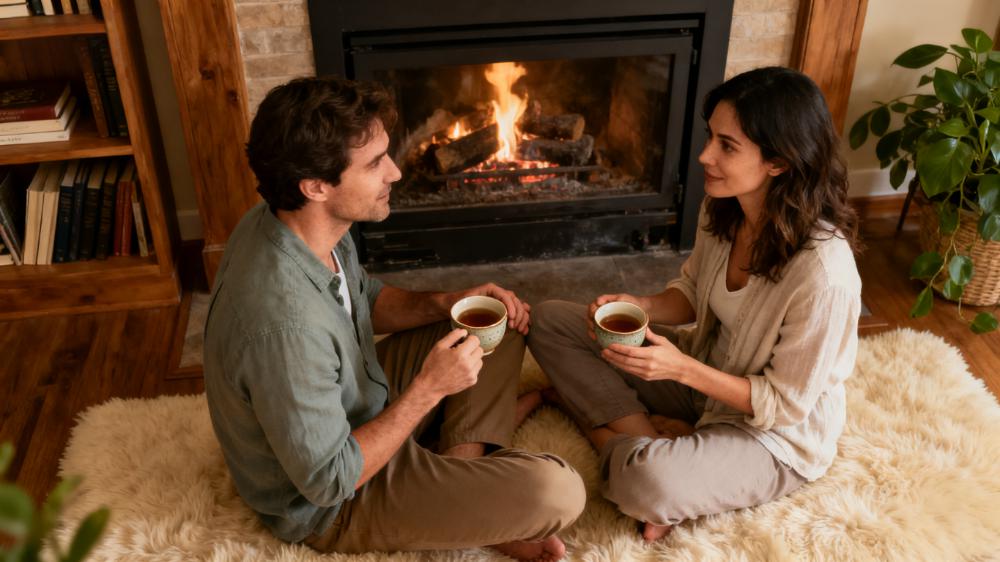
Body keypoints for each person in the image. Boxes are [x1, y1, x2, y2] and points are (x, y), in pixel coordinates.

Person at [202, 76, 585, 561]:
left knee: (494, 321)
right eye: (375, 163)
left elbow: (363, 297)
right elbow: (328, 481)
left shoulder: (298, 222)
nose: (396, 173)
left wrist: (446, 302)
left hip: (360, 400)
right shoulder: (283, 327)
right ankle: (465, 500)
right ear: (316, 185)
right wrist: (429, 389)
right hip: (334, 502)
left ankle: (456, 483)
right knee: (558, 492)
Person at [528, 66, 862, 542]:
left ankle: (616, 436)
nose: (705, 155)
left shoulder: (824, 275)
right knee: (550, 321)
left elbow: (785, 404)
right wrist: (640, 304)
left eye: (727, 146)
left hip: (772, 436)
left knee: (644, 481)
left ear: (779, 162)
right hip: (706, 380)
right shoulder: (723, 209)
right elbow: (690, 292)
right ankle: (652, 437)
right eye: (711, 137)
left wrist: (681, 369)